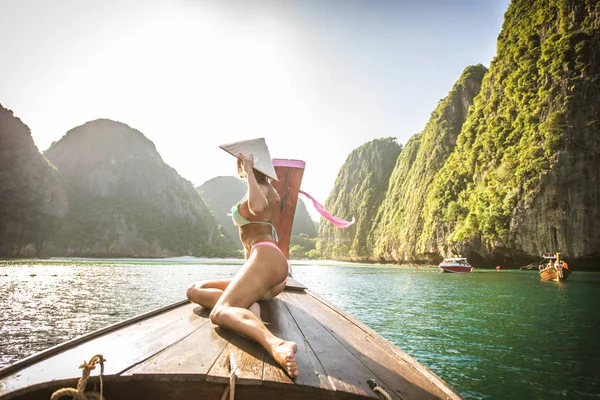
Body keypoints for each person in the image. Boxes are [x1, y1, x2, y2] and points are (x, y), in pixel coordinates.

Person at [186, 152, 299, 378]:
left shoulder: (263, 187)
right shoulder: (262, 187)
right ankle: (248, 313)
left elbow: (257, 208)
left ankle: (276, 344)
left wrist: (248, 171)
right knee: (194, 290)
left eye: (241, 160)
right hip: (264, 266)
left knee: (219, 313)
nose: (237, 163)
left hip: (266, 259)